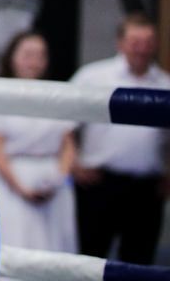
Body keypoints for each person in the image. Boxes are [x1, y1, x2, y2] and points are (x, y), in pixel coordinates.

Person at [70, 13, 170, 265]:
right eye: (135, 42)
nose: (142, 48)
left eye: (148, 42)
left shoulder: (165, 83)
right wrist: (73, 164)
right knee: (90, 260)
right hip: (98, 184)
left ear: (156, 44)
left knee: (139, 262)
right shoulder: (93, 77)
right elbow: (63, 125)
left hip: (147, 189)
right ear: (121, 43)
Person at [0, 31, 77, 252]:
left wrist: (58, 179)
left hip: (51, 181)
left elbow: (68, 144)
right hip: (10, 182)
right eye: (27, 55)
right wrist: (22, 188)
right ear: (12, 57)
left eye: (39, 55)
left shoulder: (57, 95)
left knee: (54, 247)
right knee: (14, 242)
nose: (33, 62)